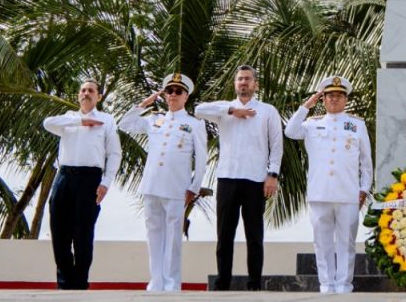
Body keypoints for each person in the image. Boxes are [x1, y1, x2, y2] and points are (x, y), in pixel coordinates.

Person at [194, 64, 283, 291]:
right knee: (224, 235)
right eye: (240, 79)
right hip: (227, 179)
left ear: (255, 84)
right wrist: (233, 111)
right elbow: (198, 110)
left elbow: (276, 145)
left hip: (255, 180)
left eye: (247, 79)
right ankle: (222, 283)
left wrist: (272, 175)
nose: (243, 82)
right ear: (235, 83)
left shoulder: (268, 111)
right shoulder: (224, 110)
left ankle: (254, 284)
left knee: (254, 236)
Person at [119, 72, 208, 292]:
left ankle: (171, 283)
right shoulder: (154, 119)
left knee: (173, 237)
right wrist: (144, 104)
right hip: (152, 185)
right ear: (164, 94)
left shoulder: (194, 124)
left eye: (178, 91)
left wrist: (194, 187)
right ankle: (156, 280)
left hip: (177, 188)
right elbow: (124, 124)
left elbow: (201, 160)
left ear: (186, 96)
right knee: (154, 235)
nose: (173, 95)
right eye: (169, 91)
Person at [284, 76, 372, 295]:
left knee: (346, 242)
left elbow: (366, 161)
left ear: (346, 99)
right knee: (322, 243)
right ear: (322, 99)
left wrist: (364, 188)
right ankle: (326, 285)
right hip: (320, 192)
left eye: (339, 96)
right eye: (330, 95)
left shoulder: (357, 125)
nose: (335, 99)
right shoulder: (312, 124)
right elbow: (290, 132)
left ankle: (344, 285)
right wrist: (306, 106)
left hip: (348, 192)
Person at [43, 79, 122, 290]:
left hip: (90, 178)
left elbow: (114, 154)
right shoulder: (69, 118)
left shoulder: (107, 120)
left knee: (83, 233)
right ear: (79, 95)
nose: (86, 93)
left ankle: (79, 283)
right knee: (59, 231)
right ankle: (64, 282)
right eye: (83, 90)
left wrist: (106, 183)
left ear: (99, 97)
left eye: (91, 91)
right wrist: (81, 122)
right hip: (64, 176)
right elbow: (47, 123)